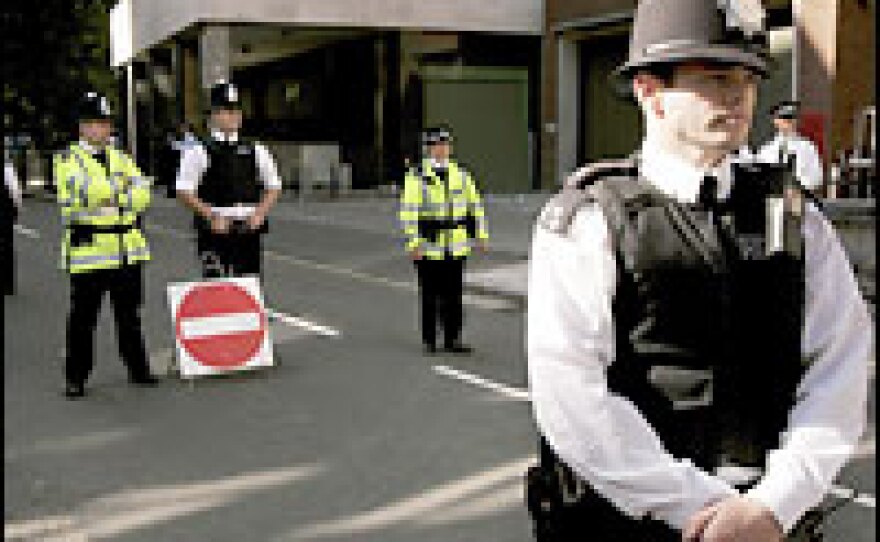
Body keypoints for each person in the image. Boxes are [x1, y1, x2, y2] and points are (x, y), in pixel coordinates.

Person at [526, 0, 872, 541]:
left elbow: (840, 365)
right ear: (649, 92)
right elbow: (572, 397)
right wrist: (696, 508)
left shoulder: (794, 216)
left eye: (747, 78)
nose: (737, 97)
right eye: (714, 79)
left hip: (769, 523)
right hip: (634, 522)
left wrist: (774, 504)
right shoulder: (591, 221)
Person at [54, 91, 158, 398]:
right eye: (95, 124)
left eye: (106, 123)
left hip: (126, 250)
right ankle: (76, 377)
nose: (102, 130)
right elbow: (80, 193)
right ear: (82, 127)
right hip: (90, 252)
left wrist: (114, 195)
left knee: (130, 316)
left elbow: (143, 194)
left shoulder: (122, 157)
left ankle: (138, 369)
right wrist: (119, 190)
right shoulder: (67, 159)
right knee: (83, 319)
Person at [398, 125, 489, 354]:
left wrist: (481, 235)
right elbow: (409, 211)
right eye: (436, 145)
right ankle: (430, 340)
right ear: (428, 149)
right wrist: (413, 242)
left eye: (445, 145)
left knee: (454, 295)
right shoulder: (417, 176)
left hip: (456, 246)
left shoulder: (462, 175)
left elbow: (475, 206)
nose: (441, 149)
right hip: (429, 245)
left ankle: (452, 338)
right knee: (429, 295)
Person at [176, 82, 281, 279]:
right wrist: (210, 215)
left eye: (237, 111)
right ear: (214, 115)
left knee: (249, 289)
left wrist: (260, 213)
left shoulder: (254, 148)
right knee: (217, 289)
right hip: (216, 229)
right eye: (227, 111)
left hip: (248, 228)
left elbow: (274, 186)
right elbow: (183, 190)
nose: (234, 116)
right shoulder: (199, 150)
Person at [758, 100, 824, 195]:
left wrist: (796, 187)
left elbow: (816, 177)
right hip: (773, 200)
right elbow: (761, 178)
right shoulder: (766, 150)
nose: (789, 122)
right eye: (784, 118)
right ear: (775, 121)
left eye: (792, 118)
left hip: (800, 199)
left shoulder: (807, 147)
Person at [3, 159, 22, 295]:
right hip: (5, 208)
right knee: (7, 246)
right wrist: (17, 207)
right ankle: (9, 285)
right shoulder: (7, 166)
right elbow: (14, 189)